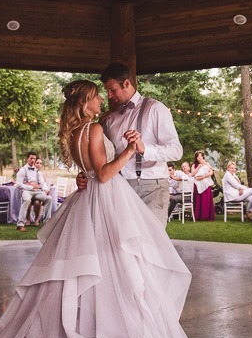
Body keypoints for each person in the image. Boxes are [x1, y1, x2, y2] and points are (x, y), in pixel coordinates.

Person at [0, 80, 218, 338]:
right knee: (119, 270)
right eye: (97, 95)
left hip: (89, 202)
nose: (102, 98)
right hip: (106, 200)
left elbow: (88, 171)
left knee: (101, 271)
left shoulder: (77, 131)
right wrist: (129, 151)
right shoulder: (96, 127)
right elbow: (103, 173)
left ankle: (90, 328)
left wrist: (96, 170)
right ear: (86, 102)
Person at [78, 62, 183, 228]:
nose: (110, 96)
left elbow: (176, 151)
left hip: (151, 189)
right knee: (125, 248)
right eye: (107, 91)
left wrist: (144, 149)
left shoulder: (155, 109)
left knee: (150, 246)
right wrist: (86, 175)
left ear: (126, 83)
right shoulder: (109, 118)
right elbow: (99, 154)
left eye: (113, 90)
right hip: (119, 190)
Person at [15, 152, 52, 231]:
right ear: (27, 159)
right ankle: (20, 224)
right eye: (31, 158)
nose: (33, 160)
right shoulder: (22, 170)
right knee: (27, 199)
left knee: (49, 198)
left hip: (37, 192)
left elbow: (42, 182)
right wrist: (31, 186)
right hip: (27, 191)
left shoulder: (37, 171)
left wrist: (46, 189)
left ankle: (47, 223)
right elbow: (18, 185)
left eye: (34, 159)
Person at [191, 150, 215, 221]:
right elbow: (192, 174)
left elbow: (211, 171)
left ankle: (207, 215)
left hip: (206, 183)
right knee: (199, 200)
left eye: (201, 156)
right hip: (198, 183)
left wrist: (203, 177)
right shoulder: (194, 165)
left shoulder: (206, 163)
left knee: (206, 200)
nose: (200, 157)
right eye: (198, 156)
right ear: (196, 158)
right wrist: (199, 167)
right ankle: (198, 216)